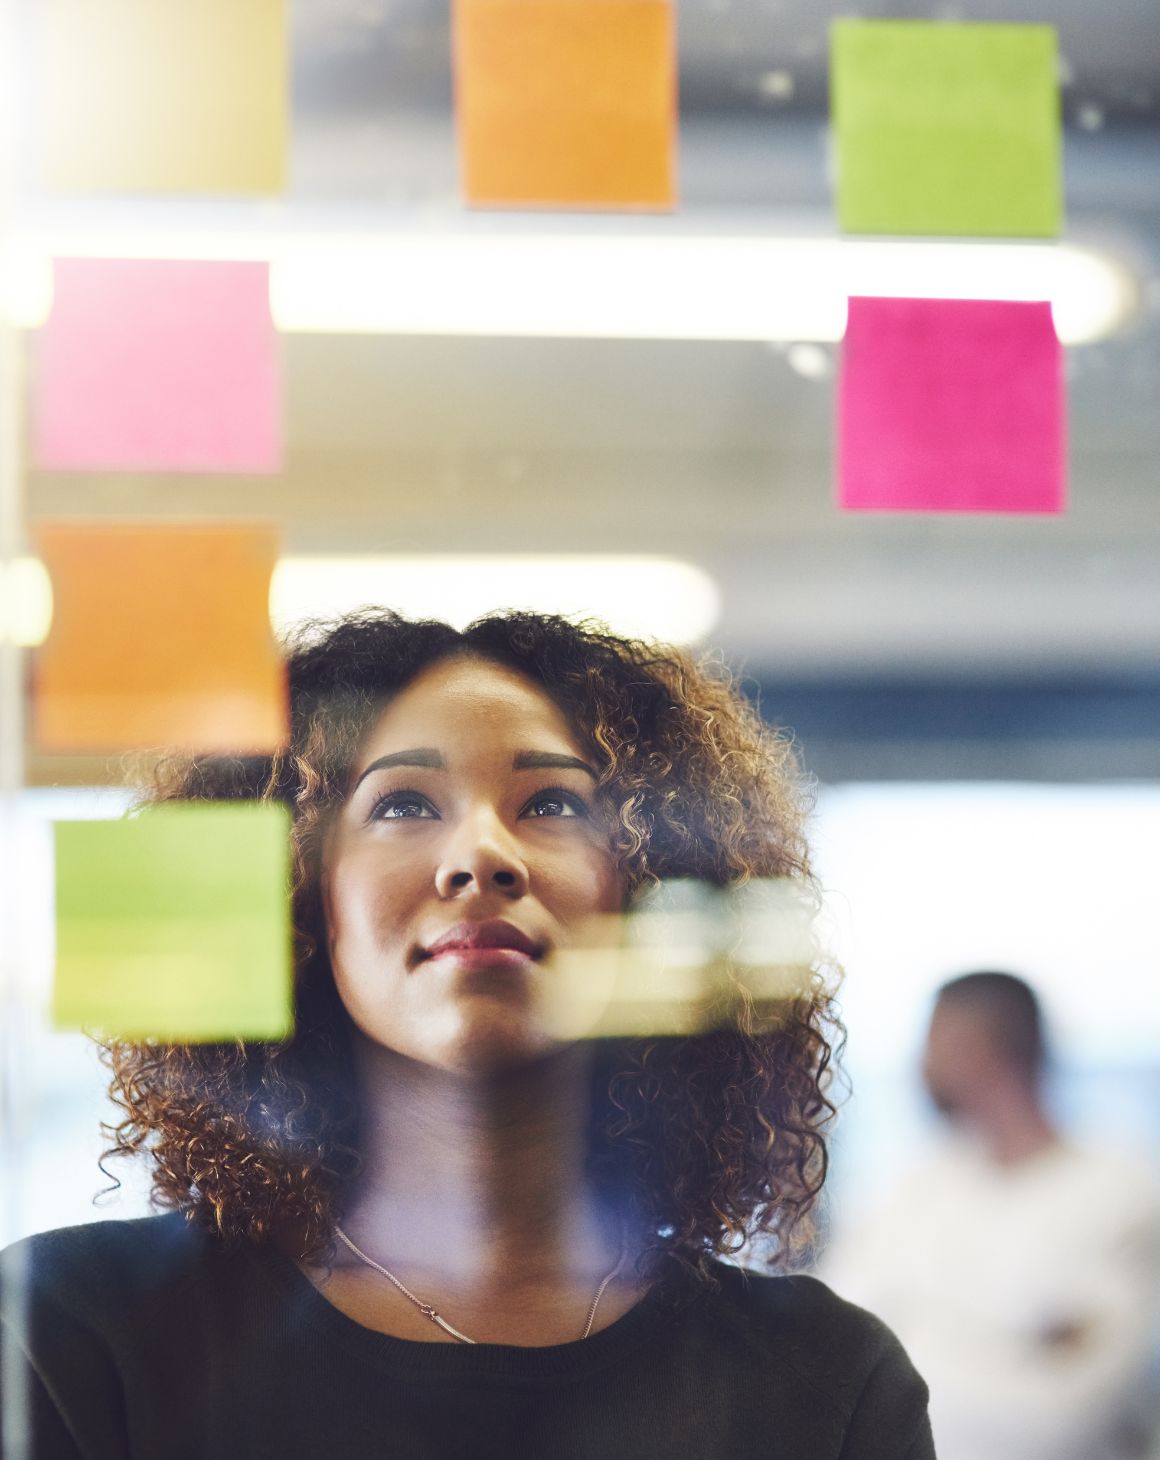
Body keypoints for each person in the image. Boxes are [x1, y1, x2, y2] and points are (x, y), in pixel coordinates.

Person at [0, 610, 934, 1459]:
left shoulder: (825, 1383)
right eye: (403, 803)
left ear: (646, 890)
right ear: (300, 900)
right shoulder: (74, 1334)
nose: (483, 853)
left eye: (552, 805)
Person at [822, 970, 1160, 1460]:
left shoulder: (1123, 1197)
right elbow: (835, 1353)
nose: (923, 1064)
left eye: (937, 1041)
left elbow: (1066, 1414)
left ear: (987, 1046)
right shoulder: (916, 1190)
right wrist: (1015, 1349)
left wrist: (911, 1339)